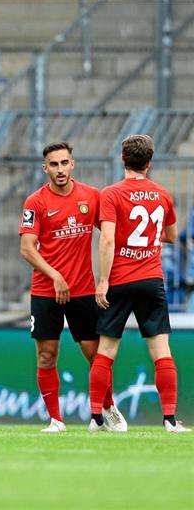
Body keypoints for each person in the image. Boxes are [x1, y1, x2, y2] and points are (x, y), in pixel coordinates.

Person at [19, 141, 126, 433]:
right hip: (45, 291)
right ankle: (56, 420)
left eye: (64, 163)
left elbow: (109, 235)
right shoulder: (35, 202)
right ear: (46, 169)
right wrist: (54, 275)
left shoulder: (91, 197)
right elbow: (27, 249)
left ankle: (108, 409)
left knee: (95, 355)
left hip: (82, 290)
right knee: (46, 355)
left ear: (73, 164)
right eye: (54, 165)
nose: (60, 169)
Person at [90, 134, 190, 433]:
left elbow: (107, 238)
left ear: (123, 159)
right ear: (149, 162)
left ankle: (97, 418)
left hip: (119, 279)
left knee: (106, 351)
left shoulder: (111, 193)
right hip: (151, 278)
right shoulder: (161, 194)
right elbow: (172, 236)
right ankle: (170, 421)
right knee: (161, 351)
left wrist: (103, 280)